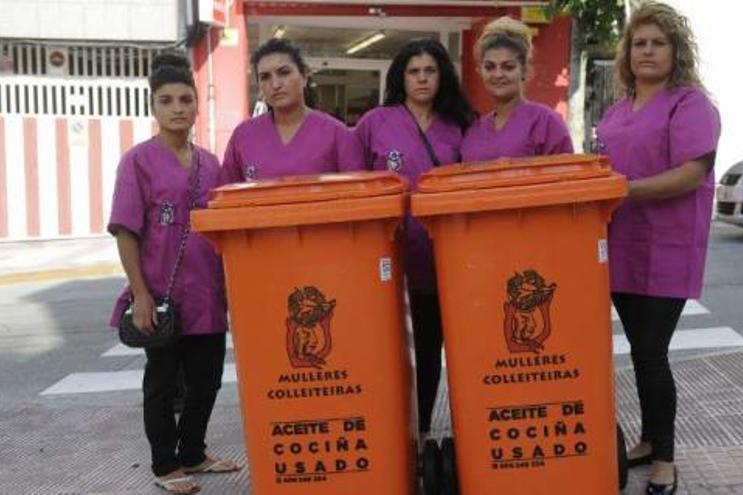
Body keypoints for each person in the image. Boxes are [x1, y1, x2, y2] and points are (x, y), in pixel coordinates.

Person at [595, 2, 721, 493]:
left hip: (667, 245)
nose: (647, 51)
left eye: (658, 43)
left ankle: (665, 457)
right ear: (628, 53)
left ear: (676, 51)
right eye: (639, 43)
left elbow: (692, 172)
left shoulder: (690, 104)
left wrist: (627, 189)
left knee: (651, 352)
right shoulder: (619, 108)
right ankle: (648, 439)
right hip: (620, 244)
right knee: (639, 352)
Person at [108, 53, 239, 494]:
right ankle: (165, 465)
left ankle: (194, 453)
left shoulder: (211, 164)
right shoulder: (137, 162)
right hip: (160, 295)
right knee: (163, 385)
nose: (178, 108)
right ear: (154, 107)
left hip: (207, 294)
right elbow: (125, 232)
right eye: (167, 100)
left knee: (208, 380)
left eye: (186, 99)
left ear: (197, 105)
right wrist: (141, 296)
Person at [354, 38, 475, 439]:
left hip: (450, 260)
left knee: (442, 353)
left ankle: (436, 432)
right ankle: (395, 434)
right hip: (389, 259)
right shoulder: (375, 123)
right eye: (413, 71)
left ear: (442, 76)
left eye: (430, 71)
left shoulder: (463, 123)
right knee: (389, 353)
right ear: (400, 78)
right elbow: (357, 189)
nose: (422, 79)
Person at [223, 38, 364, 182]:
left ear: (304, 77)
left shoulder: (338, 135)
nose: (275, 84)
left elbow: (358, 195)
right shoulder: (243, 136)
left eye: (284, 73)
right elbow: (225, 196)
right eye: (265, 77)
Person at [460, 16, 573, 161]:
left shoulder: (545, 122)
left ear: (524, 70)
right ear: (480, 71)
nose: (498, 74)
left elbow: (566, 177)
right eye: (489, 67)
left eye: (508, 67)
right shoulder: (475, 130)